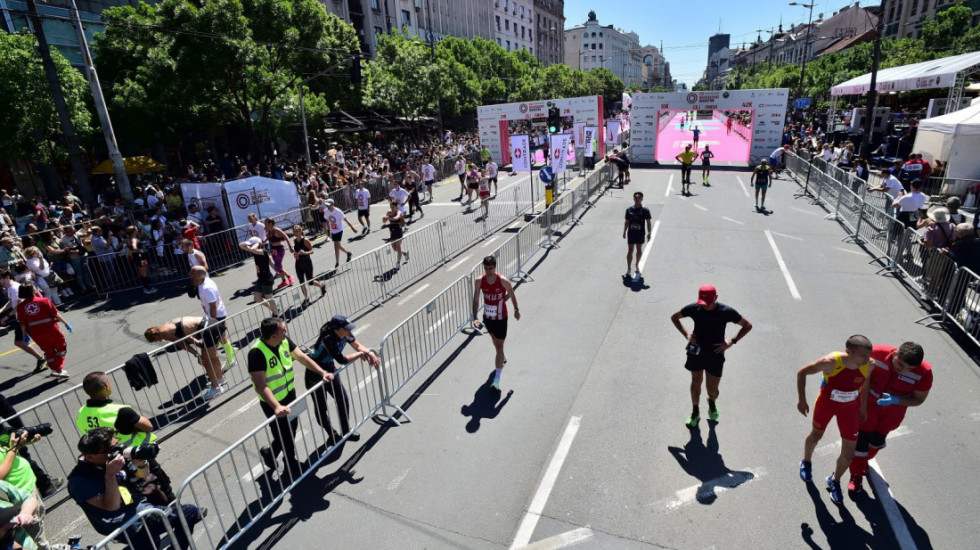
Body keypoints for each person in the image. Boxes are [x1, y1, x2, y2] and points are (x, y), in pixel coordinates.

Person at [67, 428, 205, 548]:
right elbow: (111, 506)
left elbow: (143, 475)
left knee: (189, 513)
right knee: (158, 536)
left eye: (117, 444)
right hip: (126, 525)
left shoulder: (112, 459)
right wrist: (110, 475)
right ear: (90, 456)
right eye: (110, 449)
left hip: (141, 511)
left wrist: (141, 464)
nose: (118, 449)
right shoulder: (79, 481)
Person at [248, 317, 335, 478]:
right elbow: (260, 385)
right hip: (273, 403)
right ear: (273, 336)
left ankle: (270, 453)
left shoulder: (284, 341)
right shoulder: (256, 353)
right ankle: (290, 463)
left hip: (290, 396)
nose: (286, 331)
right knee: (284, 434)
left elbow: (302, 357)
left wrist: (322, 372)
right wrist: (276, 406)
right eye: (283, 330)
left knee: (291, 429)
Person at [75, 372, 174, 505]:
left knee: (131, 497)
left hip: (112, 463)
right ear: (106, 386)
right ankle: (178, 515)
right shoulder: (120, 411)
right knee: (161, 489)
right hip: (137, 457)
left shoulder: (83, 412)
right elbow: (148, 426)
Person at [796, 335, 873, 505]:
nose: (867, 359)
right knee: (816, 435)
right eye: (862, 355)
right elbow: (802, 372)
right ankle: (806, 461)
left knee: (849, 453)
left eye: (868, 355)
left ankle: (835, 481)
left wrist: (863, 407)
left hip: (850, 409)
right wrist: (802, 399)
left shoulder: (869, 365)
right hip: (827, 404)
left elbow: (865, 384)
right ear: (848, 351)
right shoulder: (830, 362)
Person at [847, 342, 933, 494]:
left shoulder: (924, 373)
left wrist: (897, 400)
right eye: (900, 364)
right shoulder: (877, 353)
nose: (903, 370)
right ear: (894, 354)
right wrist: (862, 406)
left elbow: (919, 399)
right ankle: (856, 474)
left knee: (876, 443)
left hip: (892, 413)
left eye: (909, 368)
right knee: (861, 442)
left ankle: (863, 463)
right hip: (869, 406)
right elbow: (855, 369)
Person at [670, 285, 752, 428]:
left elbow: (747, 325)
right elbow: (674, 317)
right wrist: (686, 334)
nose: (705, 306)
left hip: (715, 354)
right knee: (696, 381)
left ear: (716, 298)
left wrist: (731, 342)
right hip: (696, 352)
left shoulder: (726, 312)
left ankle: (711, 401)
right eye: (703, 303)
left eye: (708, 303)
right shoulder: (695, 308)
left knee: (712, 389)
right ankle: (695, 412)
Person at [305, 315, 380, 444]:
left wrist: (369, 352)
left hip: (329, 368)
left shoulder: (345, 334)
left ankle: (346, 431)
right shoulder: (328, 339)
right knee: (322, 407)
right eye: (347, 329)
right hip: (315, 373)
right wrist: (359, 355)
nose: (350, 331)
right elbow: (342, 360)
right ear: (337, 330)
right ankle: (331, 433)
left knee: (343, 399)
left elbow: (357, 345)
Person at [144, 316, 226, 400]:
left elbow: (182, 344)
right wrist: (198, 344)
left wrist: (197, 355)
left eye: (156, 340)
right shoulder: (165, 325)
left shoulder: (164, 333)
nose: (159, 341)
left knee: (205, 361)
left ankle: (216, 388)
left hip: (208, 328)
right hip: (212, 322)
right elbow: (186, 335)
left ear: (154, 336)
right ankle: (220, 379)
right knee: (213, 356)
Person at [471, 255, 520, 390]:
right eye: (486, 269)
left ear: (495, 267)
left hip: (501, 318)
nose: (488, 272)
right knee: (495, 341)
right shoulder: (479, 281)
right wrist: (475, 317)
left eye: (491, 268)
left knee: (499, 346)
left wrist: (516, 310)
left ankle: (496, 381)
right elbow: (475, 300)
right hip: (488, 318)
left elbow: (512, 294)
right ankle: (502, 355)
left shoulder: (503, 281)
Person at [16, 284, 71, 379]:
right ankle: (57, 369)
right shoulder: (44, 301)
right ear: (33, 291)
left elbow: (22, 323)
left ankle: (55, 369)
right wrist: (66, 323)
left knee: (48, 351)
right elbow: (56, 314)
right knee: (61, 348)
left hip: (36, 333)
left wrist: (25, 335)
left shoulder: (20, 307)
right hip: (51, 330)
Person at [0, 271, 46, 373]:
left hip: (23, 318)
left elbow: (20, 304)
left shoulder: (14, 288)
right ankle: (44, 358)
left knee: (25, 341)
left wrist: (6, 316)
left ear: (7, 277)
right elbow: (12, 301)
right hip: (20, 318)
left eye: (0, 279)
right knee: (21, 341)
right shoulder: (10, 288)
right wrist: (2, 310)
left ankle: (48, 358)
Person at [190, 265, 235, 368]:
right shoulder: (204, 281)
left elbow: (213, 306)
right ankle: (231, 351)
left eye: (192, 273)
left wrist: (212, 322)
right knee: (222, 337)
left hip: (217, 316)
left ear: (199, 276)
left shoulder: (207, 288)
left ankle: (231, 360)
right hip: (216, 314)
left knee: (220, 338)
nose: (190, 274)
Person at [0, 477, 45, 550]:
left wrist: (26, 512)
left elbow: (29, 499)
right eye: (3, 523)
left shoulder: (1, 488)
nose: (13, 522)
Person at [239, 237, 279, 316]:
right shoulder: (255, 251)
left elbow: (253, 249)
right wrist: (250, 243)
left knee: (269, 298)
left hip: (267, 278)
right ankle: (274, 309)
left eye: (252, 244)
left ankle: (276, 315)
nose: (250, 246)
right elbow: (240, 245)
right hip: (260, 278)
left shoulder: (263, 251)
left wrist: (257, 243)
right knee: (257, 298)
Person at [292, 225, 325, 306]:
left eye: (296, 231)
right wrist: (295, 254)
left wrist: (304, 253)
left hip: (307, 262)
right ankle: (307, 299)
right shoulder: (295, 240)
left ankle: (321, 285)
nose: (295, 233)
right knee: (301, 282)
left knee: (310, 281)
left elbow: (312, 251)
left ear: (300, 231)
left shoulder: (305, 240)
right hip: (298, 263)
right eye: (294, 231)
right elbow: (296, 250)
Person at [623, 191, 652, 280]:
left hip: (640, 233)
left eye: (639, 198)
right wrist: (624, 231)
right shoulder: (629, 210)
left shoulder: (645, 210)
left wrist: (649, 233)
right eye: (636, 197)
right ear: (633, 198)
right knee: (630, 250)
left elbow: (648, 222)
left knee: (639, 249)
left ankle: (637, 264)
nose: (637, 199)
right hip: (631, 233)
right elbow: (627, 221)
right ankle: (628, 268)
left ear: (642, 199)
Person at [321, 199, 355, 268]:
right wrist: (328, 230)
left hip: (339, 230)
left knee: (336, 245)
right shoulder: (326, 212)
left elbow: (346, 219)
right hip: (333, 230)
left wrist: (352, 227)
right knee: (336, 246)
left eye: (329, 205)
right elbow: (327, 221)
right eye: (327, 205)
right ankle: (346, 254)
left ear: (332, 205)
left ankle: (337, 262)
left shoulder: (338, 211)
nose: (327, 206)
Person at [381, 201, 408, 270]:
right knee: (394, 248)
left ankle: (398, 263)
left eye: (393, 207)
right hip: (392, 230)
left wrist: (388, 218)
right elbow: (384, 222)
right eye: (391, 206)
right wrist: (384, 219)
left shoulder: (398, 212)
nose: (391, 208)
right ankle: (405, 253)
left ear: (396, 206)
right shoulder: (389, 212)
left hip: (398, 230)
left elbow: (396, 218)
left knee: (398, 247)